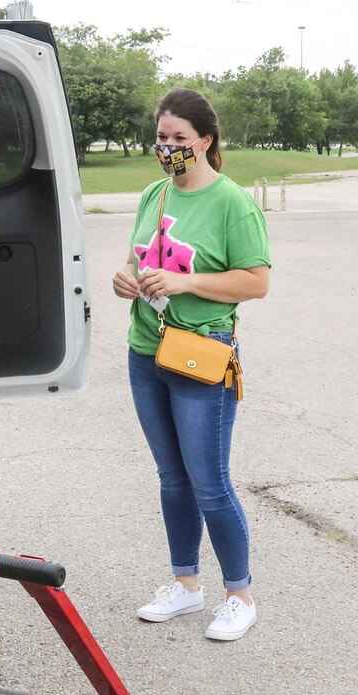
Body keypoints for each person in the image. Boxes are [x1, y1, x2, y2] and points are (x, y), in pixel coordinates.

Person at [112, 88, 270, 641]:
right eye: (162, 138)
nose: (169, 148)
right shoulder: (154, 194)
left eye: (180, 139)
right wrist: (124, 279)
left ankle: (239, 595)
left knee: (209, 482)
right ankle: (185, 585)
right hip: (146, 350)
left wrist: (185, 281)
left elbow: (256, 281)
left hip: (201, 356)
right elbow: (134, 260)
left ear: (205, 141)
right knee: (172, 479)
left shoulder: (232, 202)